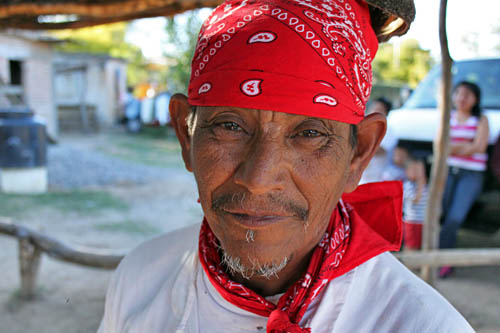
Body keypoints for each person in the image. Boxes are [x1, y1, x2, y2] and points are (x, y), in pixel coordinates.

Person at [99, 1, 473, 331]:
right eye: (230, 126)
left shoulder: (423, 325)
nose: (259, 181)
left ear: (358, 154)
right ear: (186, 133)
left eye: (309, 134)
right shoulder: (140, 279)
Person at [439, 81, 489, 278]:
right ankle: (439, 258)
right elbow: (441, 145)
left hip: (471, 174)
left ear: (475, 98)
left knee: (455, 218)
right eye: (458, 93)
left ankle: (445, 260)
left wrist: (452, 148)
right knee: (441, 215)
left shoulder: (481, 119)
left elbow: (479, 147)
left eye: (467, 94)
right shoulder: (447, 117)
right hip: (449, 171)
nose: (461, 98)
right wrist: (465, 145)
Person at [359, 97, 398, 183]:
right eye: (373, 108)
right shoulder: (362, 127)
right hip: (360, 179)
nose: (373, 112)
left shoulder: (389, 131)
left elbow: (378, 150)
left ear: (386, 114)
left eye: (378, 110)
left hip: (377, 180)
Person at [402, 155, 428, 250]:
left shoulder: (426, 186)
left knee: (420, 246)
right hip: (412, 222)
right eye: (414, 170)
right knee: (410, 246)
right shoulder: (408, 185)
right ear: (407, 172)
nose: (418, 174)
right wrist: (420, 185)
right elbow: (416, 199)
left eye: (420, 170)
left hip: (423, 222)